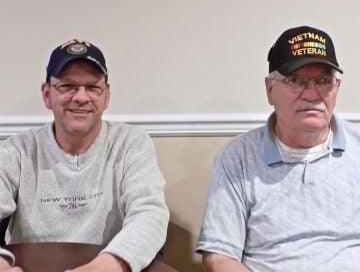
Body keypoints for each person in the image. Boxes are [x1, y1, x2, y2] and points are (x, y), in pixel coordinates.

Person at [196, 26, 360, 271]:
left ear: (336, 88)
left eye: (324, 81)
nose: (312, 94)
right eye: (296, 80)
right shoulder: (237, 158)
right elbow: (219, 256)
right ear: (270, 89)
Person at [0, 39, 171, 272]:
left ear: (106, 96)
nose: (81, 97)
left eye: (92, 87)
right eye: (67, 86)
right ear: (47, 94)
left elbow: (150, 215)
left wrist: (105, 266)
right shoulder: (17, 150)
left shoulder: (132, 143)